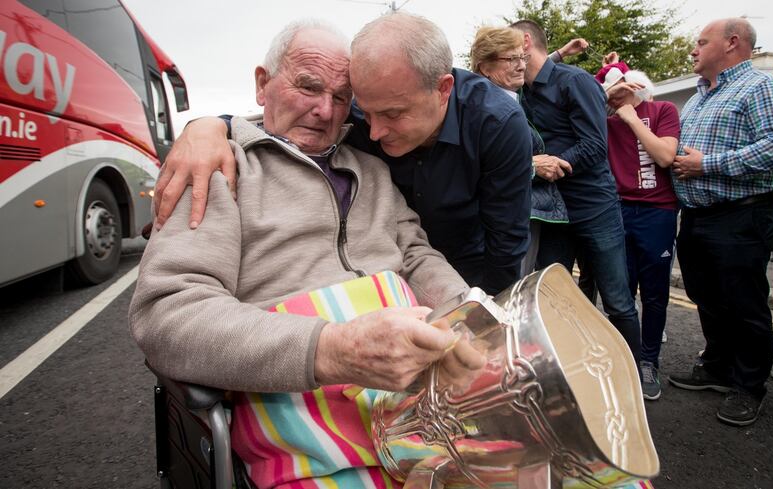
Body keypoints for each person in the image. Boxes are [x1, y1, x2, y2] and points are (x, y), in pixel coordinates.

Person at [129, 20, 485, 488]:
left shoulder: (373, 170)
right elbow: (166, 315)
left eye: (341, 98)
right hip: (305, 407)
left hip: (424, 398)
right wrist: (333, 349)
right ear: (263, 84)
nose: (324, 111)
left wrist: (476, 317)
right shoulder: (219, 170)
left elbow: (417, 257)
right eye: (308, 87)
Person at [152, 13, 534, 297]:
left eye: (392, 114)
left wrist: (482, 316)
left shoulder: (496, 124)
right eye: (363, 112)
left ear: (443, 90)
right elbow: (176, 302)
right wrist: (205, 126)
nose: (373, 131)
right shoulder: (220, 166)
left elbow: (501, 243)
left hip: (462, 266)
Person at [666, 19, 773, 426]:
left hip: (741, 213)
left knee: (744, 301)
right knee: (706, 295)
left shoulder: (764, 87)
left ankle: (749, 385)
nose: (694, 49)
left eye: (701, 42)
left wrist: (708, 164)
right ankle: (719, 368)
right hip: (697, 216)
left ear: (732, 43)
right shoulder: (699, 98)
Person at [510, 20, 642, 366]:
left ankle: (634, 374)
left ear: (524, 42)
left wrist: (552, 164)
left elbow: (595, 146)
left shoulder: (576, 81)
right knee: (552, 299)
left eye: (508, 45)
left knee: (617, 300)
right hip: (553, 213)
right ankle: (568, 374)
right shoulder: (524, 90)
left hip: (594, 207)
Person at [600, 65, 681, 401]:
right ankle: (623, 360)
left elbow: (665, 156)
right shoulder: (605, 121)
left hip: (657, 212)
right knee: (621, 294)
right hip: (618, 211)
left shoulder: (663, 110)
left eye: (623, 83)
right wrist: (608, 101)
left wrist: (632, 118)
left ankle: (648, 361)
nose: (619, 89)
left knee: (654, 292)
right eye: (611, 87)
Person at [469, 26, 569, 275]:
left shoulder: (510, 95)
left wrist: (561, 53)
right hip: (500, 222)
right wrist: (534, 166)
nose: (522, 65)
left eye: (522, 57)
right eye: (511, 59)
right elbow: (477, 168)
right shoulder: (482, 108)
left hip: (524, 213)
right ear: (485, 67)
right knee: (507, 292)